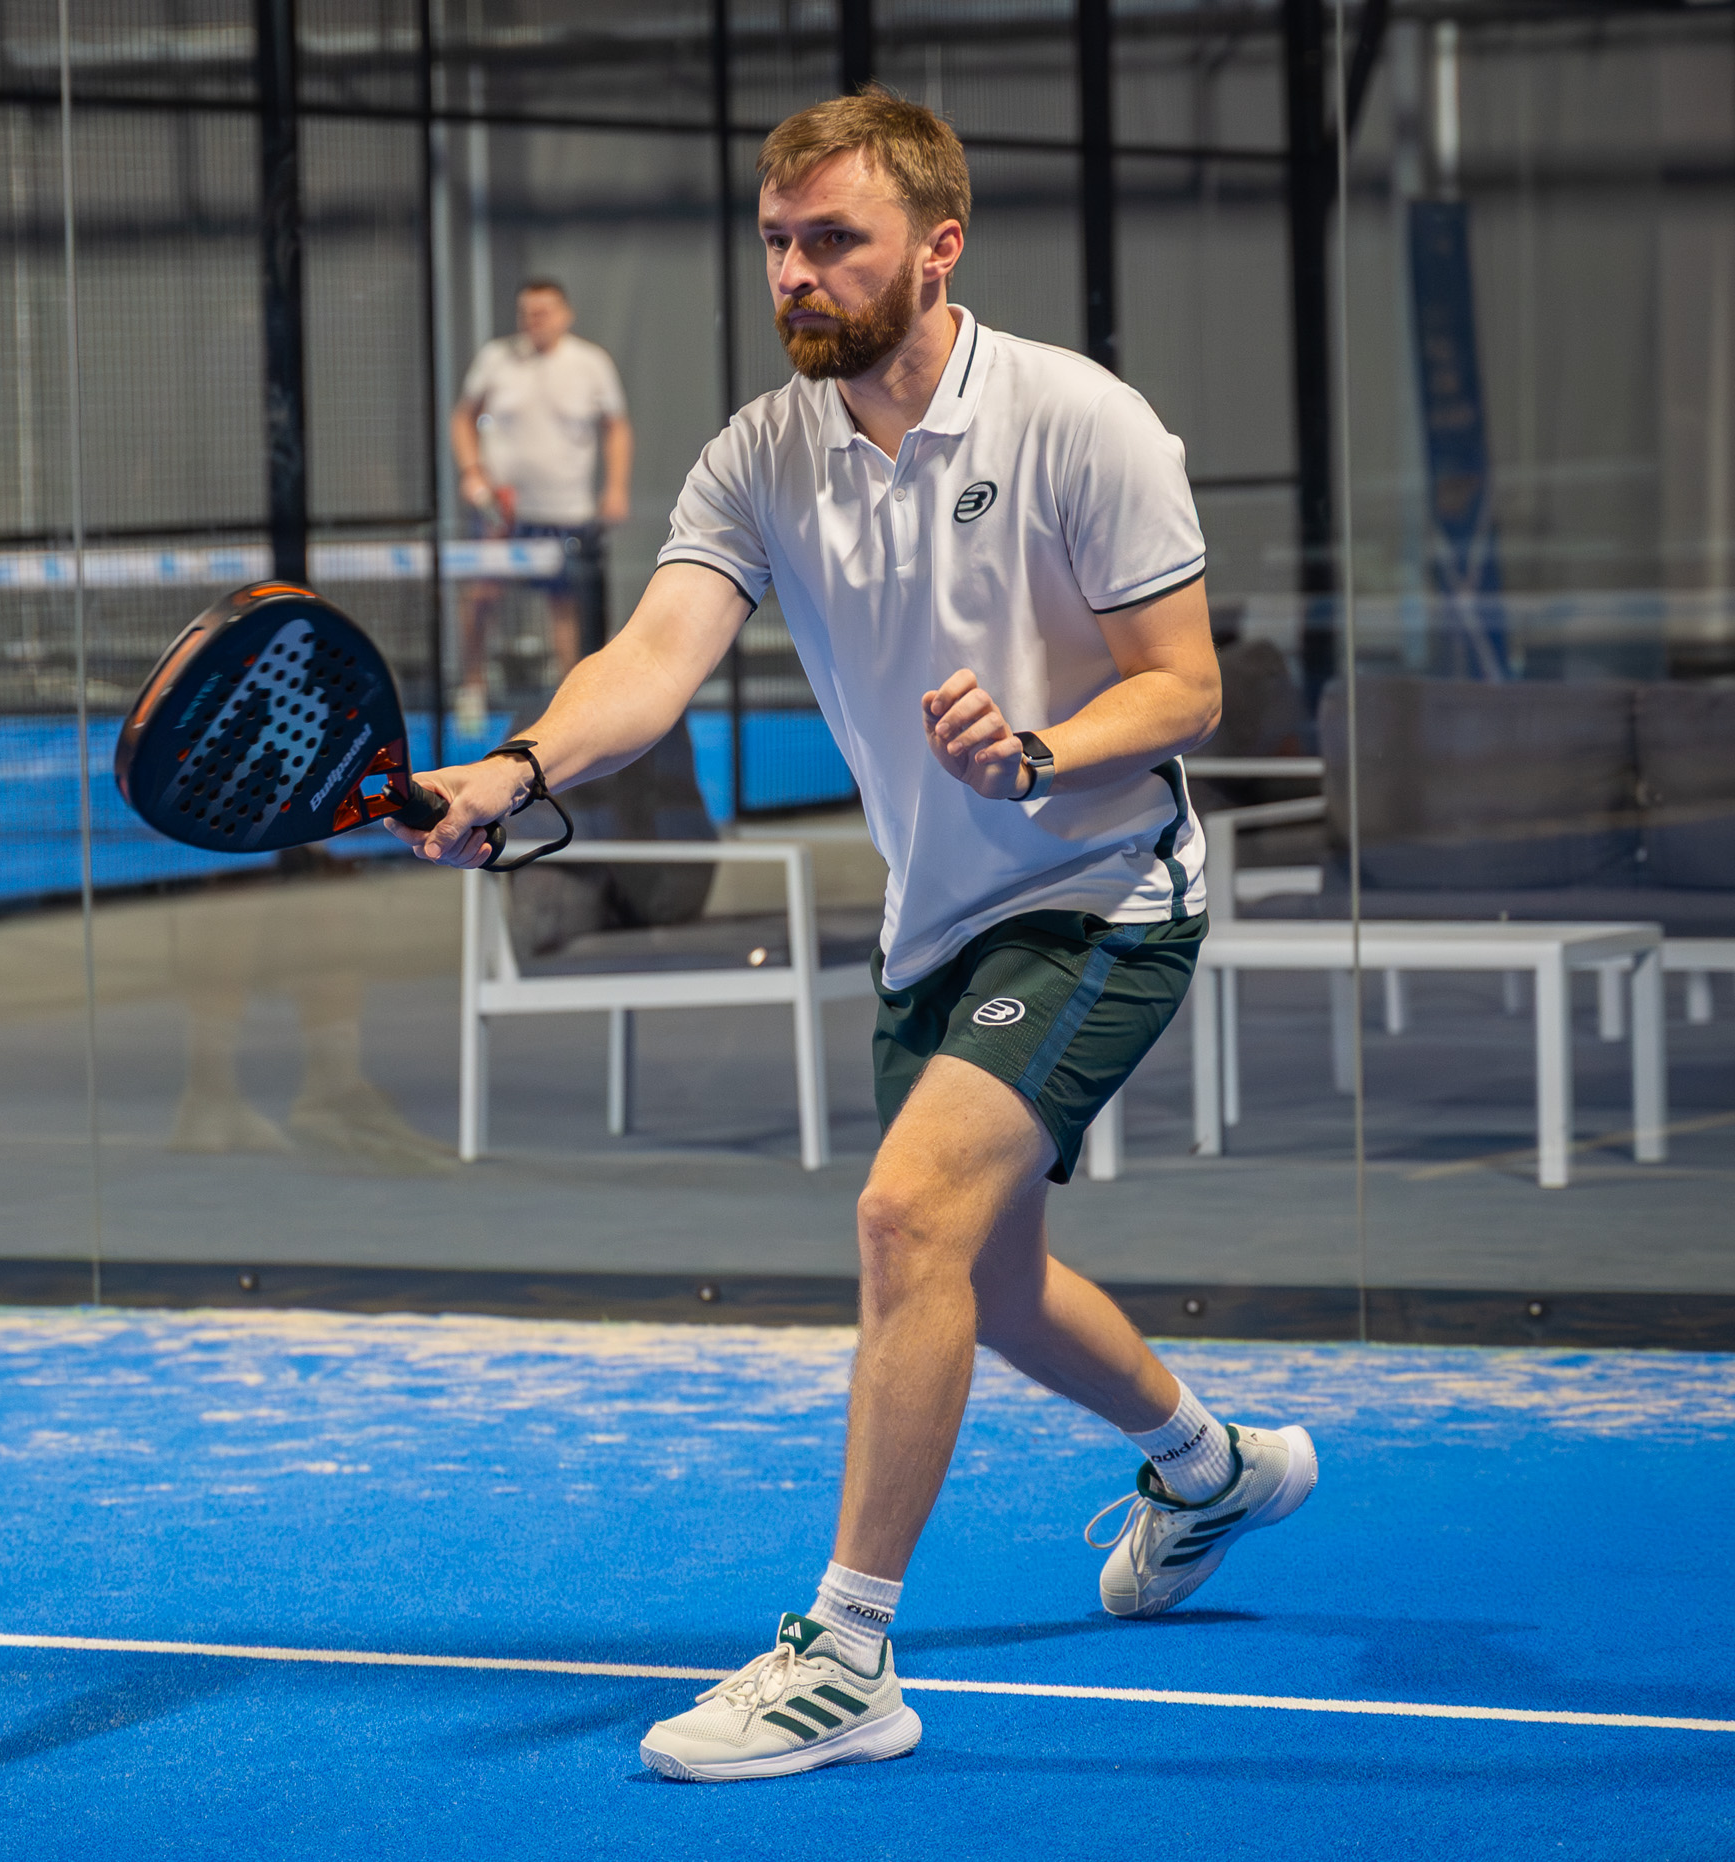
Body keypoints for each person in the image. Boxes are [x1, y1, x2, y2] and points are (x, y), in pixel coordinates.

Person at [393, 88, 1317, 1783]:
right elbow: (655, 659)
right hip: (937, 913)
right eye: (778, 244)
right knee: (999, 1281)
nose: (800, 275)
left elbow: (1181, 682)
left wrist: (1042, 745)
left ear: (939, 246)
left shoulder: (1079, 421)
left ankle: (848, 1650)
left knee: (905, 1217)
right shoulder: (761, 452)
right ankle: (1212, 1468)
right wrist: (517, 764)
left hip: (1103, 889)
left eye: (837, 241)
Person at [449, 279, 632, 732]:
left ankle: (573, 703)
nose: (536, 320)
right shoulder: (496, 359)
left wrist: (616, 488)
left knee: (566, 607)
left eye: (544, 311)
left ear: (565, 314)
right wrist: (472, 471)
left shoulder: (591, 363)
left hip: (566, 512)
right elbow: (463, 417)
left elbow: (617, 427)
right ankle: (471, 690)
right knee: (480, 598)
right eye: (527, 312)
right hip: (501, 513)